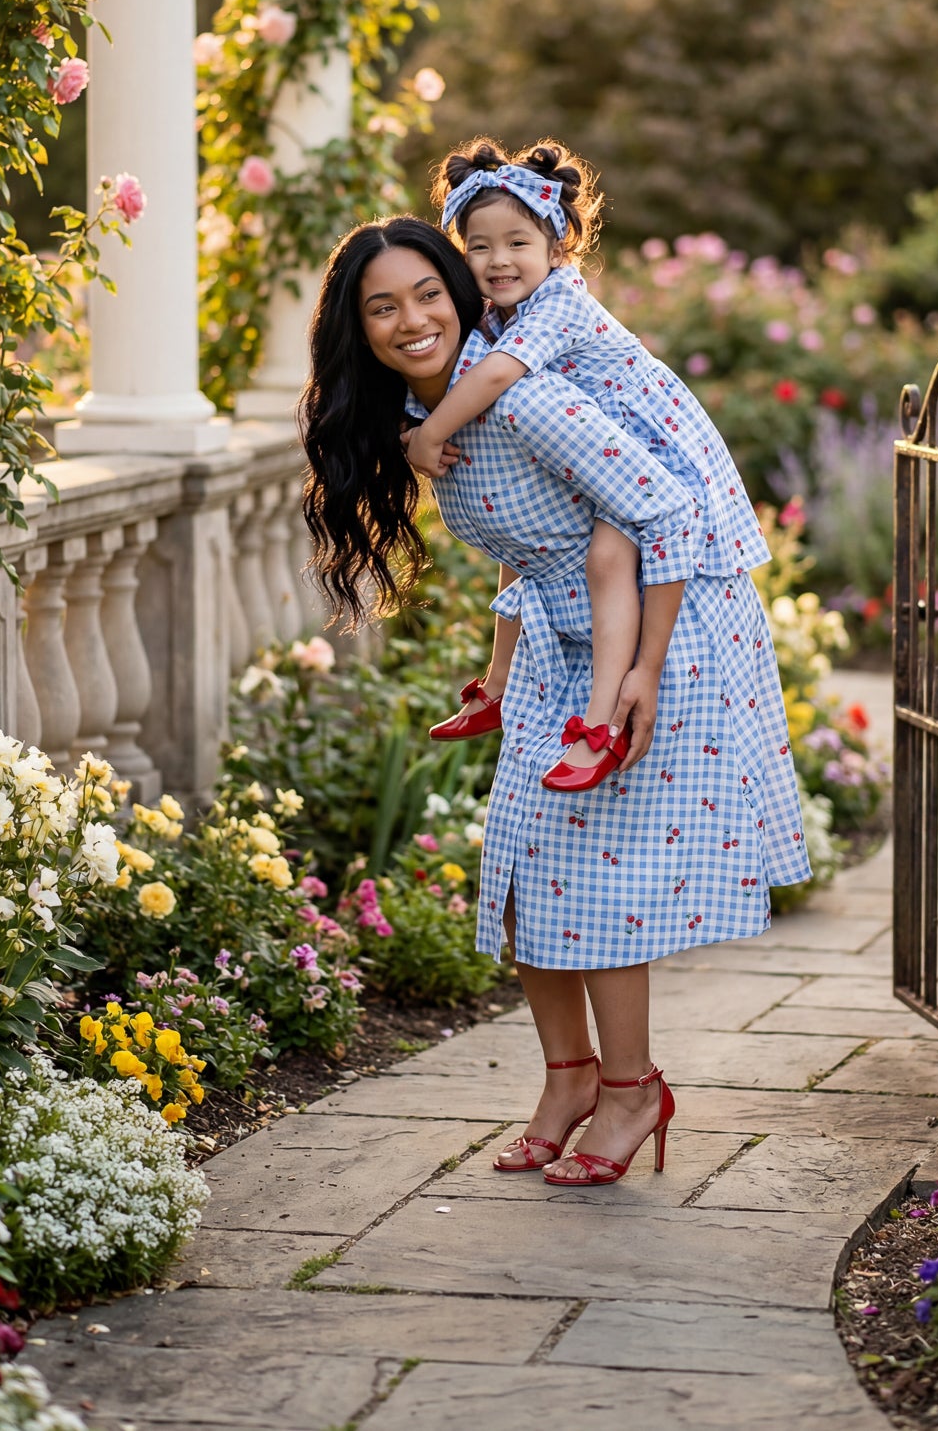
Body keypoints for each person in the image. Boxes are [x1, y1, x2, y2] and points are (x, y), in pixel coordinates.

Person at [300, 215, 810, 1187]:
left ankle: (631, 1091)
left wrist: (640, 675)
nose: (411, 319)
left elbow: (664, 509)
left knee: (601, 880)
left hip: (663, 626)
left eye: (427, 296)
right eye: (382, 306)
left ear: (459, 297)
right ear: (355, 329)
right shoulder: (425, 423)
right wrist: (498, 675)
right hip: (553, 642)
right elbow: (531, 547)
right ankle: (569, 1080)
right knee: (526, 869)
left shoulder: (519, 402)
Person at [407, 139, 768, 797]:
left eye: (518, 242)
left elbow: (490, 377)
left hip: (650, 448)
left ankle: (599, 723)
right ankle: (498, 683)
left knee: (607, 560)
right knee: (519, 543)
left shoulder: (561, 300)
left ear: (557, 248)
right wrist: (411, 421)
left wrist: (429, 434)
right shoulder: (495, 311)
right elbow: (461, 368)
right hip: (593, 446)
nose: (498, 260)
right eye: (479, 246)